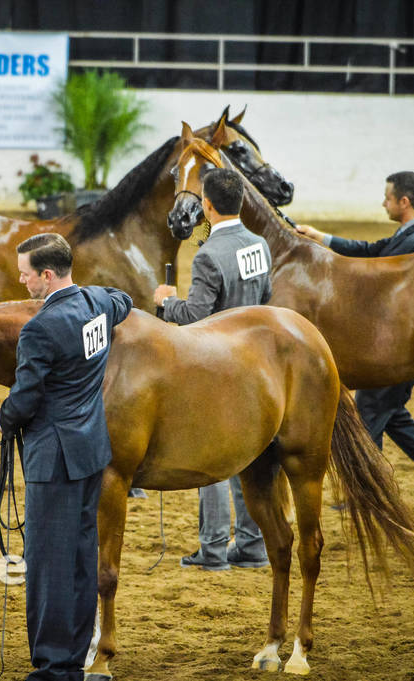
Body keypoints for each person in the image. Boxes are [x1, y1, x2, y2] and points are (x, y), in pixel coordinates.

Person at [0, 234, 132, 681]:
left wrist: (6, 417)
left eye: (26, 273)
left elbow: (25, 398)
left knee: (49, 565)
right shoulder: (96, 302)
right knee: (78, 559)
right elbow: (123, 300)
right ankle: (73, 654)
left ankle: (55, 667)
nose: (21, 279)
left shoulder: (40, 328)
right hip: (90, 450)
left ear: (47, 275)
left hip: (53, 459)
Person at [295, 171, 414, 511]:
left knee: (369, 411)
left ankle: (366, 494)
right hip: (393, 345)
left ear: (404, 202)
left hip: (398, 349)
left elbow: (376, 265)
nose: (383, 203)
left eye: (387, 198)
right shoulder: (411, 235)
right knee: (391, 413)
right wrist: (322, 238)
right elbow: (373, 250)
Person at [152, 168, 272, 571]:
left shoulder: (207, 255)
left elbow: (195, 315)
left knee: (212, 460)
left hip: (217, 370)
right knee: (249, 457)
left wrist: (166, 302)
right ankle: (253, 545)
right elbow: (265, 302)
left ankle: (214, 549)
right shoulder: (260, 244)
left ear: (206, 205)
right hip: (254, 366)